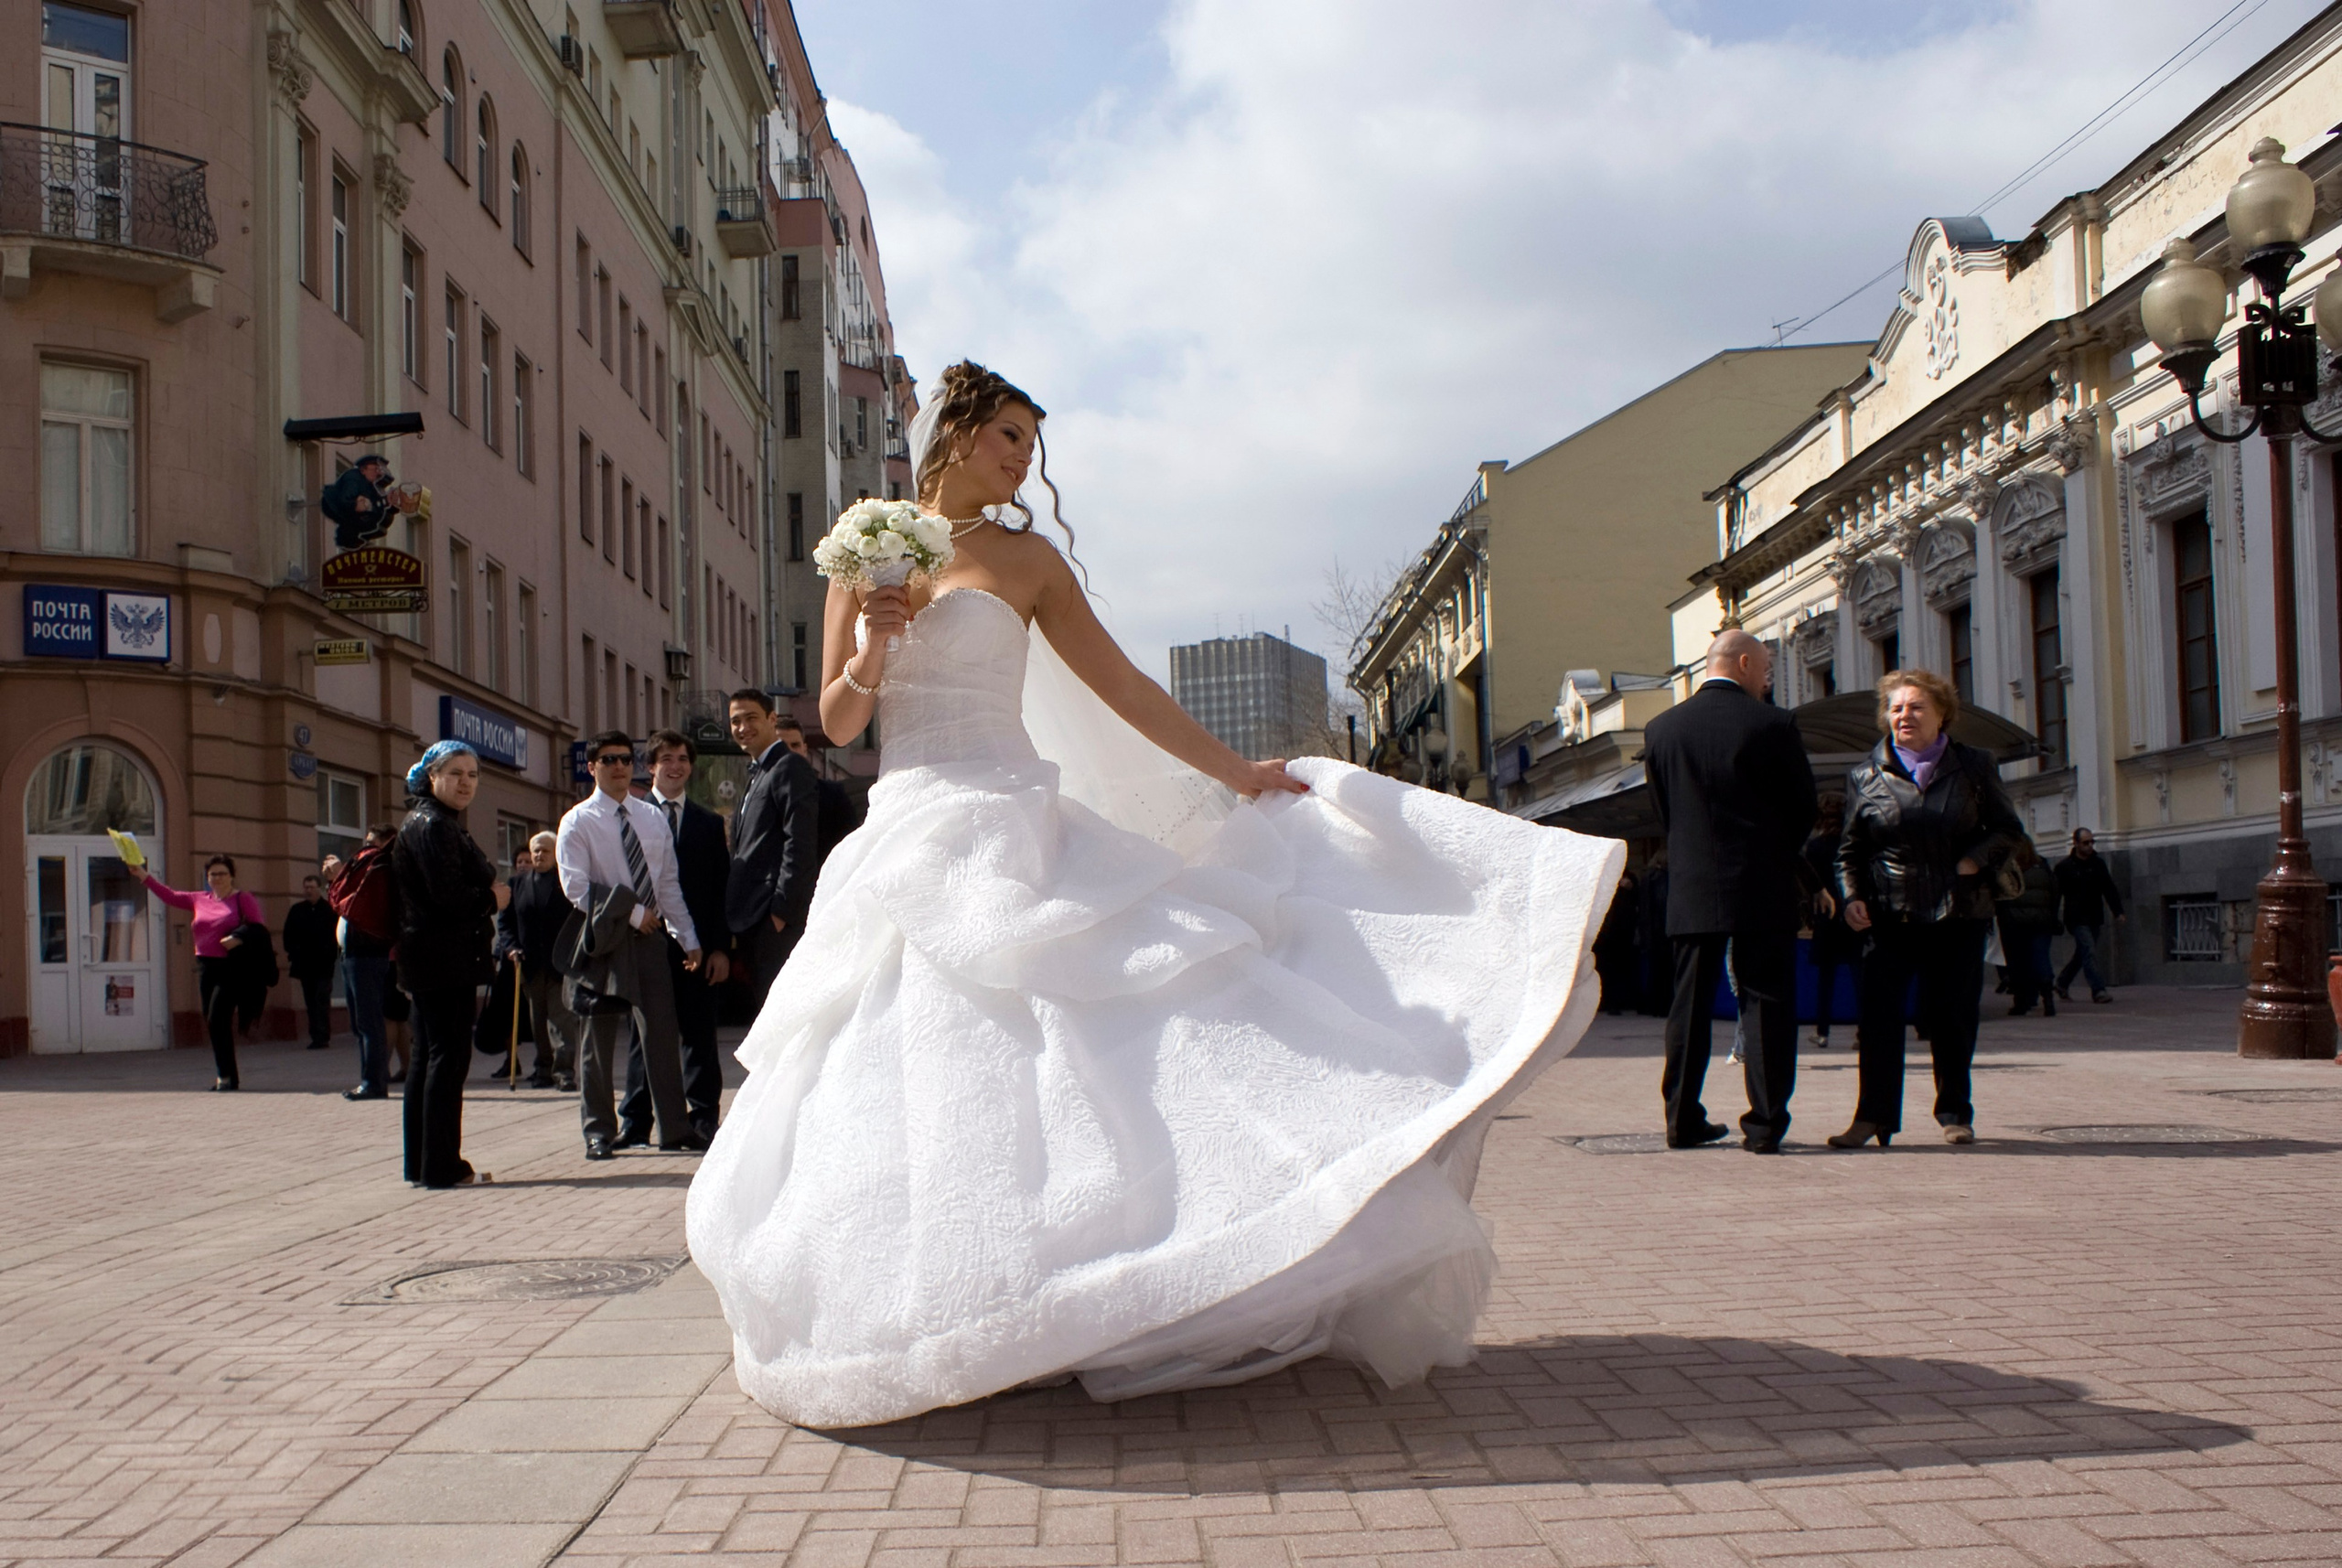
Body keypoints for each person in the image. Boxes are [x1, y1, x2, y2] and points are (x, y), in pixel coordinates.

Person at [683, 360, 1623, 1430]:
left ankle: (1100, 1284)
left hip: (1010, 820)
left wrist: (1240, 774)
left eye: (1030, 445)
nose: (1021, 460)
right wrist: (877, 640)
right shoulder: (869, 540)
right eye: (1006, 437)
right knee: (910, 1074)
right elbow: (841, 723)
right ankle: (963, 1304)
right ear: (952, 435)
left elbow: (1121, 685)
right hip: (908, 833)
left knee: (1089, 1051)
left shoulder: (1029, 562)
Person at [1639, 630, 1819, 1155]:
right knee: (1766, 1001)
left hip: (1692, 884)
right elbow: (1802, 805)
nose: (1768, 680)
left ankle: (1680, 1119)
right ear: (1744, 663)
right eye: (1765, 670)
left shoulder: (1662, 729)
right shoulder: (1775, 724)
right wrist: (1774, 852)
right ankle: (1764, 1125)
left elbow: (1664, 810)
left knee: (1688, 1004)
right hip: (1761, 884)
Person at [1832, 670, 2025, 1149]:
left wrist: (1972, 860)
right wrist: (1852, 896)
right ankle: (1872, 1118)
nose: (1904, 716)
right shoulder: (1865, 774)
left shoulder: (1975, 765)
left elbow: (2007, 829)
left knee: (1953, 1016)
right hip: (1888, 913)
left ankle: (1955, 1112)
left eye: (1916, 707)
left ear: (1942, 714)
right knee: (1878, 1020)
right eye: (1896, 708)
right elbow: (1849, 851)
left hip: (1958, 912)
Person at [556, 731, 706, 1160]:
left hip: (651, 941)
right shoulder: (578, 820)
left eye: (625, 759)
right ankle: (598, 1131)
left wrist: (687, 937)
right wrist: (634, 914)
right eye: (608, 760)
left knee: (660, 1033)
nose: (619, 767)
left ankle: (675, 1128)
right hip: (604, 939)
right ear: (592, 768)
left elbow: (667, 884)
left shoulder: (650, 817)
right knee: (597, 1040)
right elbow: (575, 888)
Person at [391, 741, 509, 1187]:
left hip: (433, 957)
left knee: (429, 1057)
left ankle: (424, 1164)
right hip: (444, 959)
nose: (465, 782)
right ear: (432, 776)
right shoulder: (433, 824)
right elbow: (450, 897)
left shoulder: (433, 821)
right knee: (446, 1059)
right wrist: (491, 900)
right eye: (455, 773)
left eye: (473, 774)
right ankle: (442, 1166)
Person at [620, 731, 732, 1145]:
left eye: (683, 759)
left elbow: (720, 887)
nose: (676, 766)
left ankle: (702, 1118)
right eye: (666, 759)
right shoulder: (629, 815)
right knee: (641, 1036)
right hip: (645, 942)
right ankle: (635, 1120)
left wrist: (720, 947)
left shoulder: (707, 822)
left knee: (700, 1033)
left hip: (697, 946)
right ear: (650, 767)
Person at [725, 690, 821, 1009]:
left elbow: (800, 842)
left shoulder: (789, 766)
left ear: (771, 719)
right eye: (735, 721)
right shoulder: (756, 774)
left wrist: (782, 912)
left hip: (774, 920)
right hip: (753, 919)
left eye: (751, 718)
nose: (742, 727)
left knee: (781, 1016)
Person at [142, 855, 267, 1091]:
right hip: (206, 967)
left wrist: (238, 937)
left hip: (231, 967)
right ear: (207, 878)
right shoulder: (200, 899)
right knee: (213, 1022)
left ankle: (225, 1077)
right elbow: (169, 896)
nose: (218, 878)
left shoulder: (243, 898)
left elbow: (258, 927)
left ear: (232, 875)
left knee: (217, 1018)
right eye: (213, 874)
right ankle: (229, 1075)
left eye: (222, 873)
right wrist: (143, 876)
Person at [495, 832, 581, 1090]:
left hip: (560, 964)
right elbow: (506, 922)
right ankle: (543, 1069)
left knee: (560, 1020)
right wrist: (511, 947)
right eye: (535, 851)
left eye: (545, 850)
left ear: (555, 854)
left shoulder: (566, 883)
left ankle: (564, 1072)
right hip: (529, 964)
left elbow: (578, 921)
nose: (539, 855)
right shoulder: (518, 884)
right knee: (537, 1020)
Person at [325, 825, 399, 1099]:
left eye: (371, 842)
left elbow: (353, 901)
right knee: (362, 1023)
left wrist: (338, 876)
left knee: (369, 1023)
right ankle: (371, 1079)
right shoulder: (374, 866)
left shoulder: (379, 866)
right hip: (353, 954)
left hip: (367, 954)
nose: (365, 848)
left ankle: (374, 1083)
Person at [1802, 796, 1859, 1048]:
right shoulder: (1851, 843)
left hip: (1827, 916)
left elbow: (1809, 885)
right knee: (1860, 977)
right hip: (1853, 912)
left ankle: (1822, 1031)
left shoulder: (1815, 847)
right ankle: (1864, 1032)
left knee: (1826, 979)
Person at [777, 714, 864, 865]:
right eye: (782, 746)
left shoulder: (833, 797)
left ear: (805, 749)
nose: (789, 752)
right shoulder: (759, 796)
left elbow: (849, 848)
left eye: (795, 745)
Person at [2054, 827, 2125, 1004]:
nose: (2090, 846)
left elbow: (2109, 888)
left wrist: (2118, 911)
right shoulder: (2064, 867)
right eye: (2085, 842)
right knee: (2089, 951)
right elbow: (2055, 894)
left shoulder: (2098, 864)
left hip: (2094, 916)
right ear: (2076, 843)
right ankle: (2098, 990)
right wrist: (2052, 917)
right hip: (2076, 918)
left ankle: (2062, 982)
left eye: (2092, 842)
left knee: (2083, 953)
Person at [1998, 843, 2061, 1017]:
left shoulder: (2008, 868)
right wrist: (2051, 915)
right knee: (2041, 958)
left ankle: (2022, 1002)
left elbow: (2002, 896)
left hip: (2015, 923)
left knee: (2018, 963)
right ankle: (2048, 999)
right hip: (2041, 922)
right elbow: (2055, 892)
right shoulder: (2042, 866)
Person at [282, 875, 340, 1051]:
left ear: (320, 889)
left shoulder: (329, 910)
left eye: (312, 887)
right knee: (310, 1002)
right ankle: (315, 1036)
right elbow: (288, 935)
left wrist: (331, 955)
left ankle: (323, 1036)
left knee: (321, 999)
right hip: (304, 965)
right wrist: (293, 953)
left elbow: (336, 937)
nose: (308, 890)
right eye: (306, 887)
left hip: (324, 965)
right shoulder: (297, 910)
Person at [320, 454, 394, 550]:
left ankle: (352, 540)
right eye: (375, 469)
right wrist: (356, 505)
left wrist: (384, 502)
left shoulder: (369, 485)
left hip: (345, 508)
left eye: (379, 470)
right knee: (354, 517)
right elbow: (345, 500)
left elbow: (374, 504)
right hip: (332, 504)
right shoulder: (354, 478)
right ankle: (347, 540)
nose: (378, 474)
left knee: (368, 516)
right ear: (364, 470)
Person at [1593, 868, 1640, 1015]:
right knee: (1608, 969)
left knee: (1619, 969)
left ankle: (1617, 1002)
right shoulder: (1605, 880)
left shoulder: (1629, 881)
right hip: (1608, 933)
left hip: (1620, 932)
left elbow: (1636, 901)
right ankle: (1607, 1002)